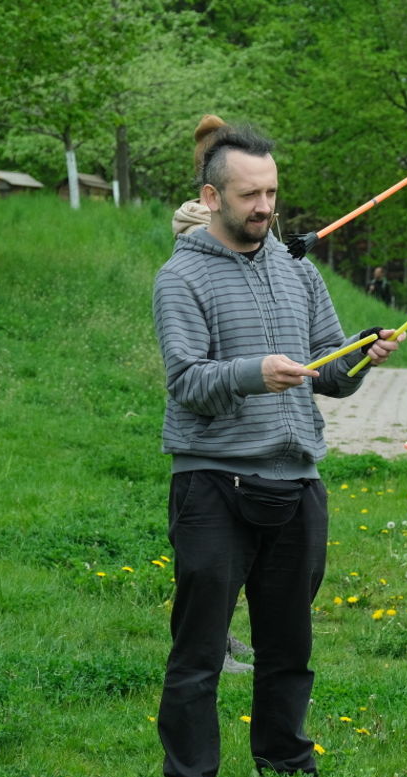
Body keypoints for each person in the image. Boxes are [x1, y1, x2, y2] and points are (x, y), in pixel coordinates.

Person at [152, 122, 402, 777]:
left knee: (289, 646)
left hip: (297, 484)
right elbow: (188, 381)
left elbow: (328, 370)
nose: (266, 207)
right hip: (214, 485)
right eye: (250, 194)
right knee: (200, 651)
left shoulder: (298, 269)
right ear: (212, 195)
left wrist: (359, 354)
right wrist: (254, 374)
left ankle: (287, 769)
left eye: (272, 192)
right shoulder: (181, 278)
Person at [169, 113, 255, 675]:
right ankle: (208, 646)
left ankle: (222, 638)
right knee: (205, 560)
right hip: (207, 415)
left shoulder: (243, 212)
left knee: (236, 558)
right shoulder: (192, 223)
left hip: (253, 423)